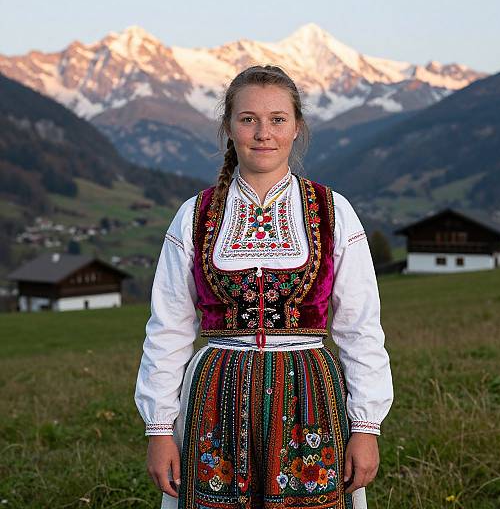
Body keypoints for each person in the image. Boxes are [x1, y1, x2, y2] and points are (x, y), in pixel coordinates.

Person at [134, 65, 393, 509]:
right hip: (215, 397)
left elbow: (360, 326)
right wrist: (159, 430)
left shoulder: (333, 212)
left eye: (277, 119)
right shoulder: (195, 215)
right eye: (248, 118)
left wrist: (366, 427)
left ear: (297, 128)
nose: (262, 133)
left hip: (309, 393)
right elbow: (168, 328)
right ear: (228, 128)